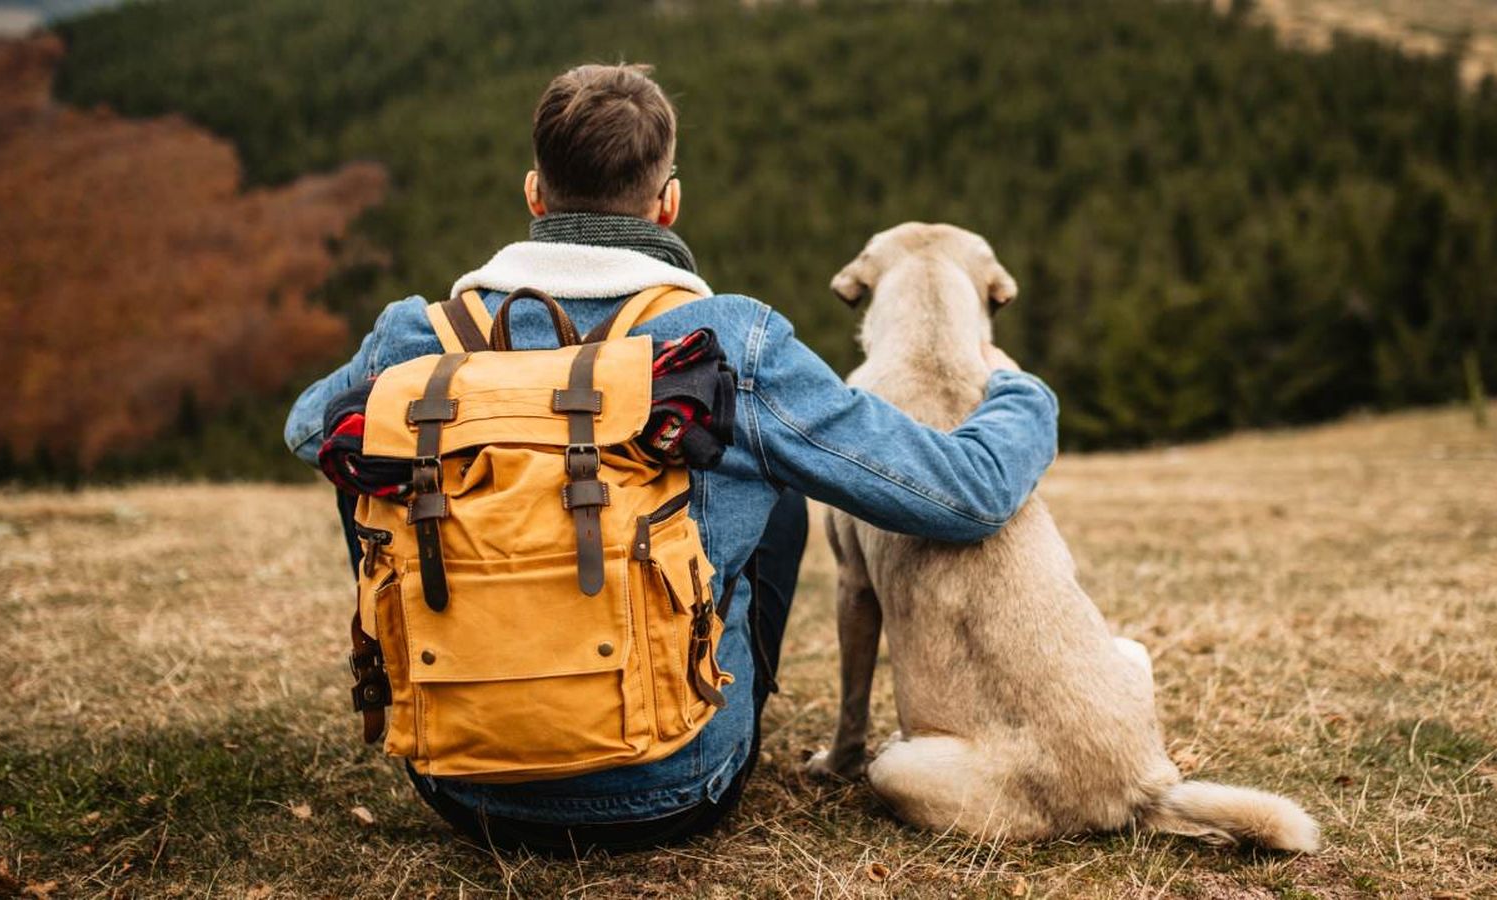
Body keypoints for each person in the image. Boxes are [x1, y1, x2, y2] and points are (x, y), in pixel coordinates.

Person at [283, 63, 1059, 853]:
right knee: (778, 489)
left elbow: (310, 431)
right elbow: (967, 494)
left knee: (377, 452)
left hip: (460, 782)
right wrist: (1020, 391)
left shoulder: (418, 336)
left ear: (534, 195)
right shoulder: (729, 342)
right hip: (677, 785)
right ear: (669, 202)